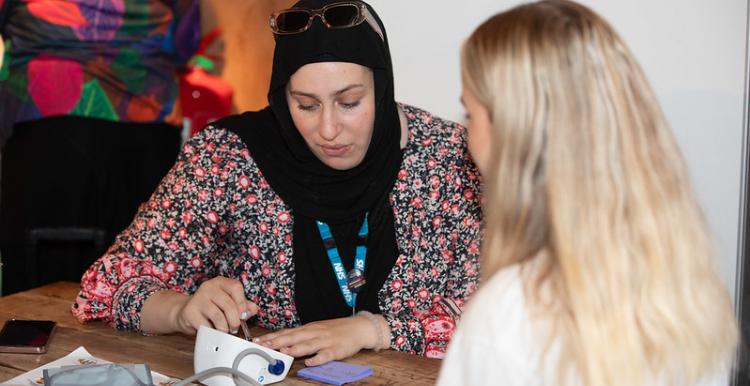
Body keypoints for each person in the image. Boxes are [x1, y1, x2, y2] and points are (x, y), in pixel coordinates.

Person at [72, 0, 482, 366]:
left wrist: (373, 331)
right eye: (305, 105)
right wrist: (180, 311)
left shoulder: (449, 157)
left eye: (350, 102)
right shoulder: (227, 157)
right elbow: (106, 285)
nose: (328, 128)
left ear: (382, 86)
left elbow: (503, 311)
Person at [438, 1, 738, 385]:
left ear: (514, 135)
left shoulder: (509, 317)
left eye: (469, 115)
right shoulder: (688, 293)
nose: (467, 135)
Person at [0, 0, 199, 294]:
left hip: (45, 112)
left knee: (39, 282)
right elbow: (185, 40)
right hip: (144, 118)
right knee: (139, 275)